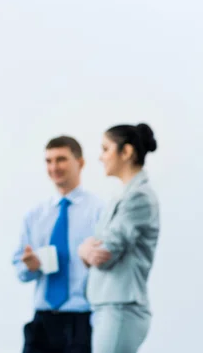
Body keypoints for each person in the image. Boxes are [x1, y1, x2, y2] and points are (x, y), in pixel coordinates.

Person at [12, 136, 105, 353]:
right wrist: (30, 265)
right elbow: (20, 270)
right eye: (49, 161)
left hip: (81, 319)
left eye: (61, 159)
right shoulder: (35, 215)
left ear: (80, 163)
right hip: (42, 321)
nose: (54, 167)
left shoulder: (98, 211)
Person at [79, 123, 159, 353]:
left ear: (126, 152)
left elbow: (104, 253)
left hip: (121, 307)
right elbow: (95, 250)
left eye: (105, 149)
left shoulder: (139, 197)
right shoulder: (123, 194)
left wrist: (84, 249)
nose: (100, 157)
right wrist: (86, 249)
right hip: (110, 306)